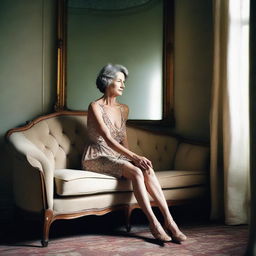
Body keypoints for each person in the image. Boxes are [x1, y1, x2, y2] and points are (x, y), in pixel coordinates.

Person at [81, 63, 187, 243]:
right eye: (119, 81)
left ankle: (170, 221)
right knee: (136, 171)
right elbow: (107, 138)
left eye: (124, 82)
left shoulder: (124, 109)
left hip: (116, 155)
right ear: (107, 82)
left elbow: (123, 137)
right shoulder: (95, 106)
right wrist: (134, 158)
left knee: (146, 169)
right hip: (97, 156)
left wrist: (134, 159)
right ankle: (153, 223)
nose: (123, 85)